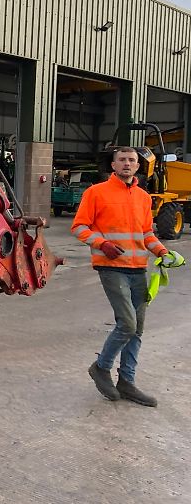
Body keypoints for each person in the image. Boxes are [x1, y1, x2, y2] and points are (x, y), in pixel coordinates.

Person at [71, 147, 183, 406]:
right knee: (128, 325)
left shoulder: (144, 198)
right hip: (111, 267)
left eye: (132, 160)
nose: (127, 164)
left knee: (138, 330)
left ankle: (127, 382)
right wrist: (102, 244)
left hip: (138, 269)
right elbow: (79, 227)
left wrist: (163, 251)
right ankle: (101, 367)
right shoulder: (96, 193)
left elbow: (146, 233)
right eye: (122, 160)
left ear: (138, 166)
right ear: (113, 165)